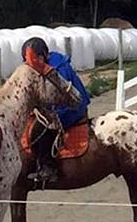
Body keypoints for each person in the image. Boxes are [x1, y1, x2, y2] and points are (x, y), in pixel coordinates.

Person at [22, 37, 90, 183]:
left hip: (72, 108)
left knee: (42, 130)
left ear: (43, 56)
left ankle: (48, 168)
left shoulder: (58, 69)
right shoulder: (46, 65)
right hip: (63, 106)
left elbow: (61, 97)